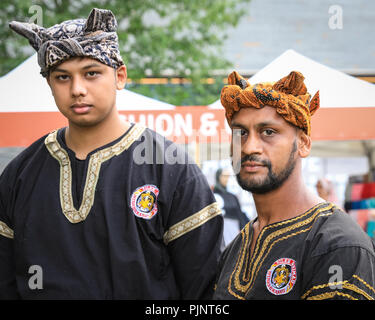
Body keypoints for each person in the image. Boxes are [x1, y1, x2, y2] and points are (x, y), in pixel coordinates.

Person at [0, 8, 223, 299]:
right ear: (49, 84)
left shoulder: (170, 168)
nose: (77, 89)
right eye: (62, 77)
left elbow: (204, 289)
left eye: (91, 73)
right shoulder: (20, 175)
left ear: (119, 76)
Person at [213, 70, 375, 300]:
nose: (249, 148)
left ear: (303, 144)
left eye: (268, 132)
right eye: (240, 133)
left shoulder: (338, 246)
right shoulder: (236, 247)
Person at [213, 168, 249, 245]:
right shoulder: (212, 195)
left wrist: (242, 229)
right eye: (224, 176)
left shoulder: (232, 196)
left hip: (234, 231)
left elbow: (239, 214)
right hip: (219, 233)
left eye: (228, 176)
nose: (226, 179)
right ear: (218, 177)